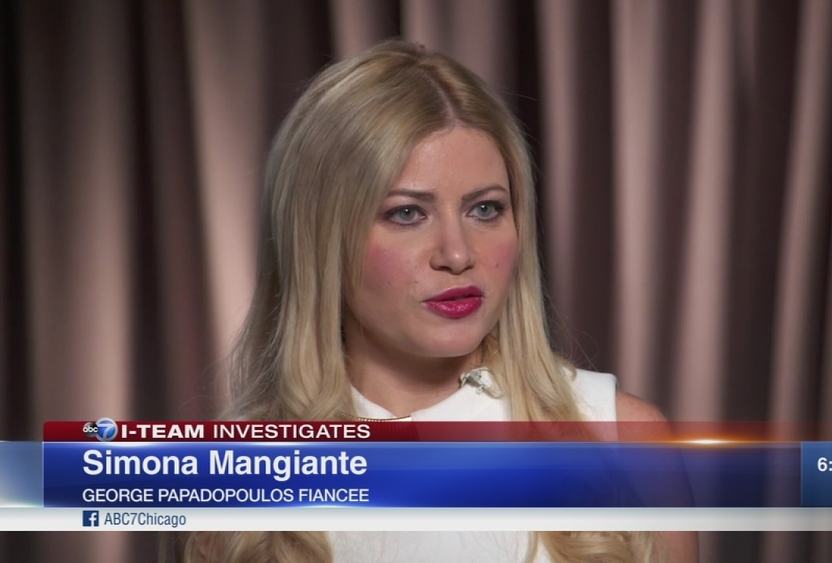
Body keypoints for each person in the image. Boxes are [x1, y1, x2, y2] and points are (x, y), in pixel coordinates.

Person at [179, 40, 697, 563]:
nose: (457, 254)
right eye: (407, 213)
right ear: (319, 240)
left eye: (485, 209)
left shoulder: (624, 441)